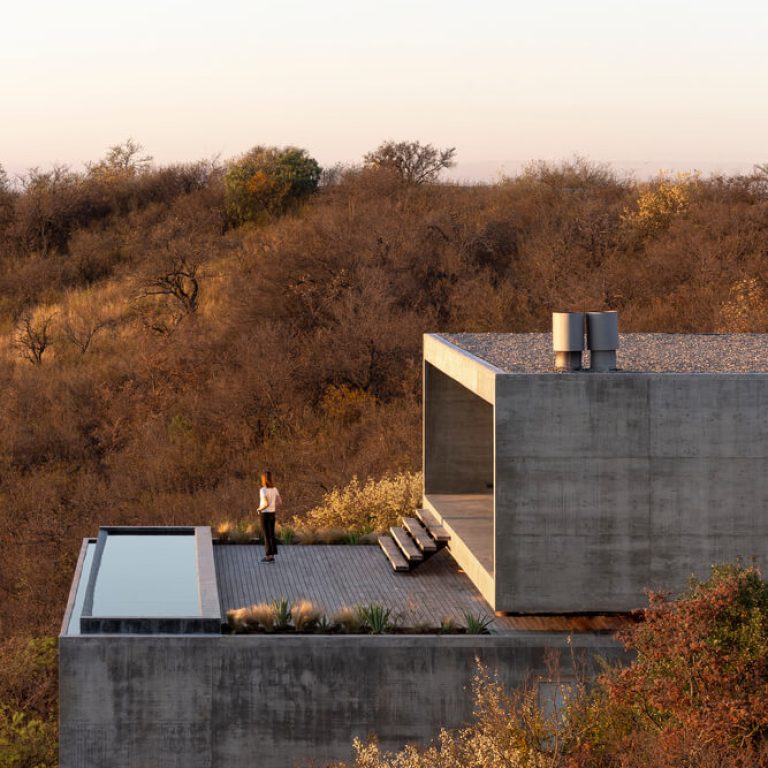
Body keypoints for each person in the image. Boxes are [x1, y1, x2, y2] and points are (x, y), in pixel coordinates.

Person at [257, 470, 282, 563]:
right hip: (272, 513)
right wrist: (273, 505)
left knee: (266, 535)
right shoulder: (274, 489)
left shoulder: (263, 490)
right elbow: (280, 501)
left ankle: (268, 556)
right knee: (271, 534)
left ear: (263, 479)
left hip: (265, 514)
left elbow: (266, 503)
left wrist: (259, 509)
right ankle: (272, 555)